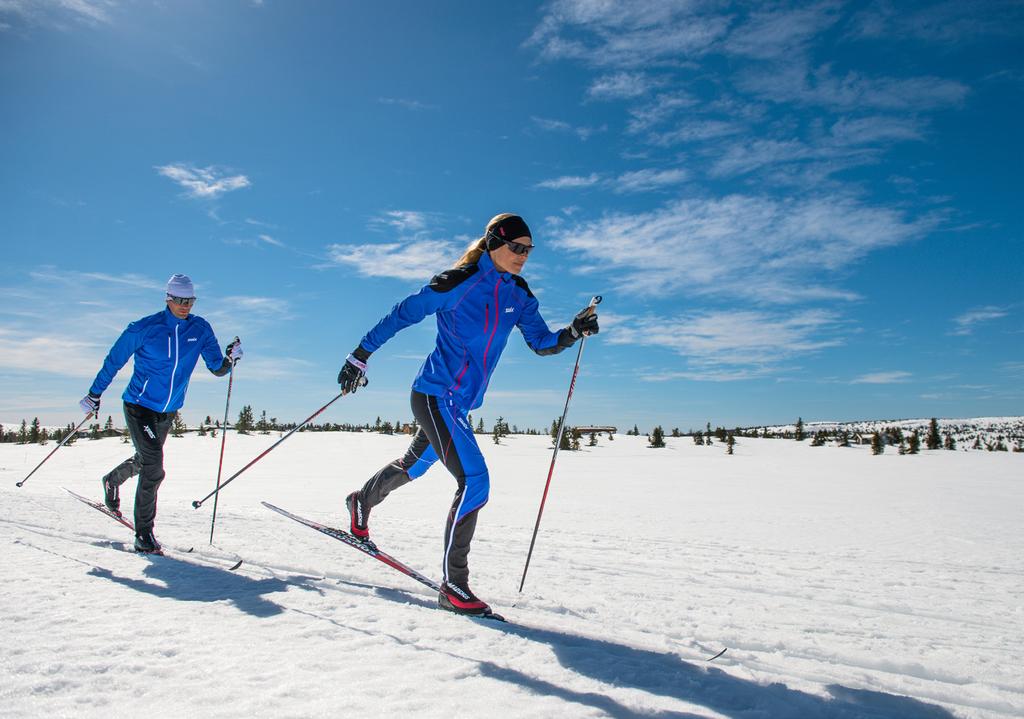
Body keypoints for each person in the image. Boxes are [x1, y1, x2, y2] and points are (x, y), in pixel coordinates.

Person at [337, 213, 599, 616]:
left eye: (528, 250)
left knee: (413, 467)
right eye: (516, 247)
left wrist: (573, 332)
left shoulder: (519, 295)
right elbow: (402, 313)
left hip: (457, 405)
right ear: (494, 242)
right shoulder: (457, 283)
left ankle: (360, 501)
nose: (523, 256)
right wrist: (360, 355)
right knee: (475, 480)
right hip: (434, 395)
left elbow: (541, 342)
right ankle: (453, 584)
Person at [79, 274, 243, 554]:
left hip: (167, 412)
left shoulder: (200, 329)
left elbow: (216, 367)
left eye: (190, 301)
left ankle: (112, 480)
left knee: (146, 460)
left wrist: (230, 358)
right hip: (139, 405)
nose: (185, 306)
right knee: (154, 467)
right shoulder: (144, 328)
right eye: (179, 300)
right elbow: (114, 360)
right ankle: (143, 535)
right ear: (168, 299)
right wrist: (94, 394)